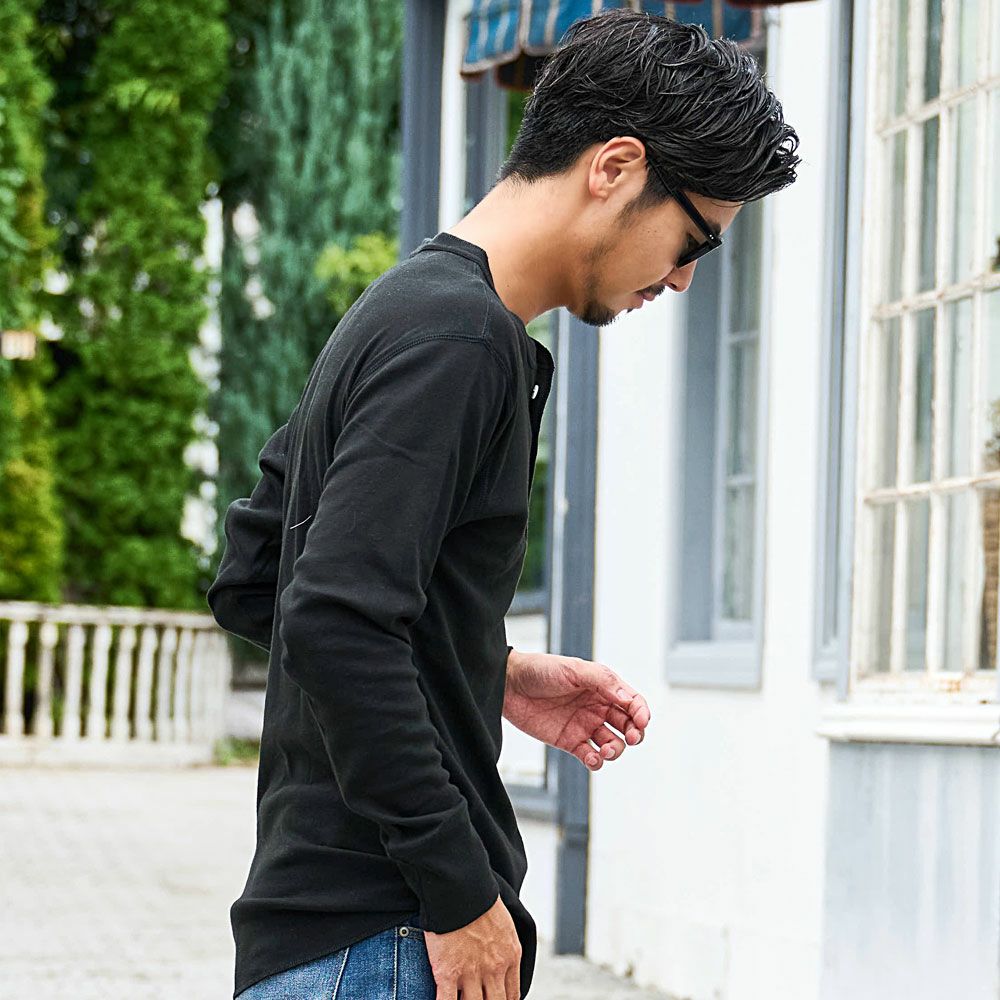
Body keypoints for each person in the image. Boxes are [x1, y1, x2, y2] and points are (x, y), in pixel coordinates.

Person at [207, 9, 799, 1000]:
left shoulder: (403, 309)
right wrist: (459, 893)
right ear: (615, 167)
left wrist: (490, 669)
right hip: (386, 938)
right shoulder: (459, 341)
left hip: (330, 942)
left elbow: (258, 574)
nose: (685, 277)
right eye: (693, 236)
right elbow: (332, 619)